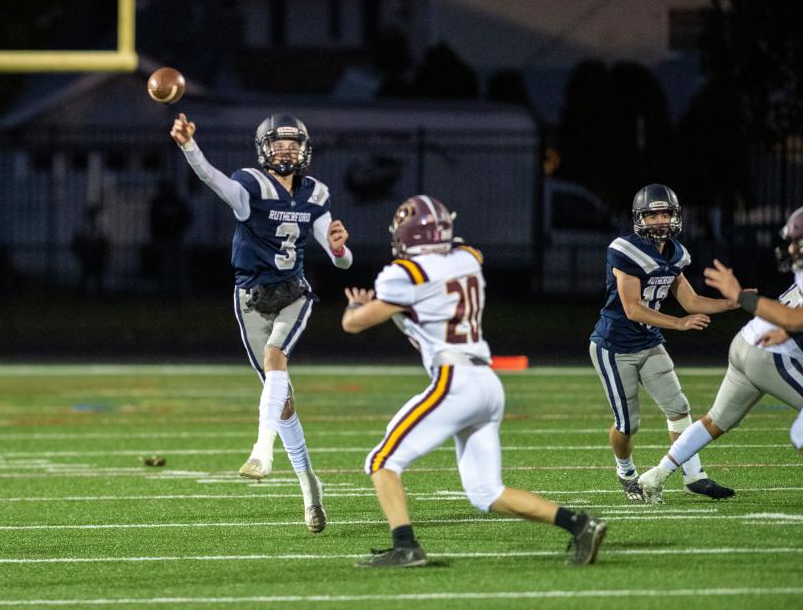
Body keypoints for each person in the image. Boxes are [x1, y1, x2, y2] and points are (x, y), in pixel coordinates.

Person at [342, 195, 606, 568]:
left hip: (455, 380)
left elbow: (354, 324)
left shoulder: (404, 275)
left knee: (381, 461)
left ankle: (406, 547)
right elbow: (465, 255)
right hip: (487, 381)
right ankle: (579, 524)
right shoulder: (467, 259)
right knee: (486, 492)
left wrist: (355, 307)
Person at [170, 112, 352, 533]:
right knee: (282, 399)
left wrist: (341, 250)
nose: (286, 150)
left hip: (293, 293)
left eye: (293, 143)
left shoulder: (316, 194)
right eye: (278, 143)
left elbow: (342, 261)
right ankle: (310, 485)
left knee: (276, 360)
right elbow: (213, 179)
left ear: (305, 149)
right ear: (264, 149)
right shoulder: (250, 185)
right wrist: (188, 147)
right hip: (250, 297)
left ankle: (261, 452)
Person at [638, 206, 803, 502]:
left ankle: (656, 475)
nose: (792, 249)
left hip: (747, 341)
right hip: (769, 354)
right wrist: (742, 298)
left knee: (715, 420)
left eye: (797, 242)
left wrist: (786, 328)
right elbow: (795, 317)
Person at [589, 184, 736, 501]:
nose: (659, 220)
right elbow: (632, 308)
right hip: (615, 345)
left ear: (675, 215)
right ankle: (626, 472)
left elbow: (692, 301)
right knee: (628, 425)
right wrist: (679, 324)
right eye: (652, 214)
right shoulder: (624, 249)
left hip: (648, 340)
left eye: (665, 213)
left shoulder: (678, 254)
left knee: (679, 407)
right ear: (639, 218)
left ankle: (694, 475)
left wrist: (735, 302)